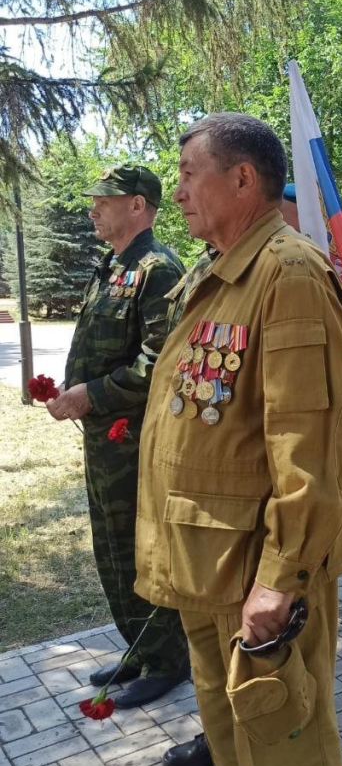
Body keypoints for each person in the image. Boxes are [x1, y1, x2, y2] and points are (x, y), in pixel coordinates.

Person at [134, 112, 342, 766]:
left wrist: (281, 577)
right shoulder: (216, 270)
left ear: (242, 179)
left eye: (192, 171)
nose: (180, 190)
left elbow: (311, 449)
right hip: (205, 560)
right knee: (231, 734)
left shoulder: (288, 274)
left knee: (284, 744)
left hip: (257, 575)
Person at [48, 164, 189, 708]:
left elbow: (161, 364)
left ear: (138, 205)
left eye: (104, 200)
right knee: (111, 548)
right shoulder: (113, 264)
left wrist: (90, 395)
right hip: (103, 436)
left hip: (133, 439)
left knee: (140, 550)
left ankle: (167, 659)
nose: (93, 209)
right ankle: (139, 646)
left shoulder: (157, 269)